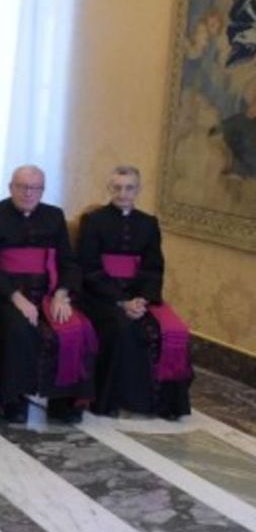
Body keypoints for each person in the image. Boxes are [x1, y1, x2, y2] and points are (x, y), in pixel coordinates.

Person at [0, 165, 96, 424]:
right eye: (22, 187)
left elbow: (67, 262)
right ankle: (13, 399)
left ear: (42, 190)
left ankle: (62, 401)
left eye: (35, 188)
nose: (28, 193)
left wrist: (62, 294)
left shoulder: (54, 216)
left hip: (48, 292)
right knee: (18, 327)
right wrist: (16, 298)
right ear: (11, 188)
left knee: (74, 326)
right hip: (5, 294)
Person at [77, 166, 192, 420]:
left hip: (139, 296)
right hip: (100, 296)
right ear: (109, 189)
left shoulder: (148, 224)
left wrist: (142, 299)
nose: (123, 193)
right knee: (121, 326)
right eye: (117, 187)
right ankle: (112, 400)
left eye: (129, 188)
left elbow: (153, 267)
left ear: (138, 190)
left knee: (171, 330)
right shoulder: (94, 221)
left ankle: (164, 404)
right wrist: (121, 301)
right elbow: (89, 268)